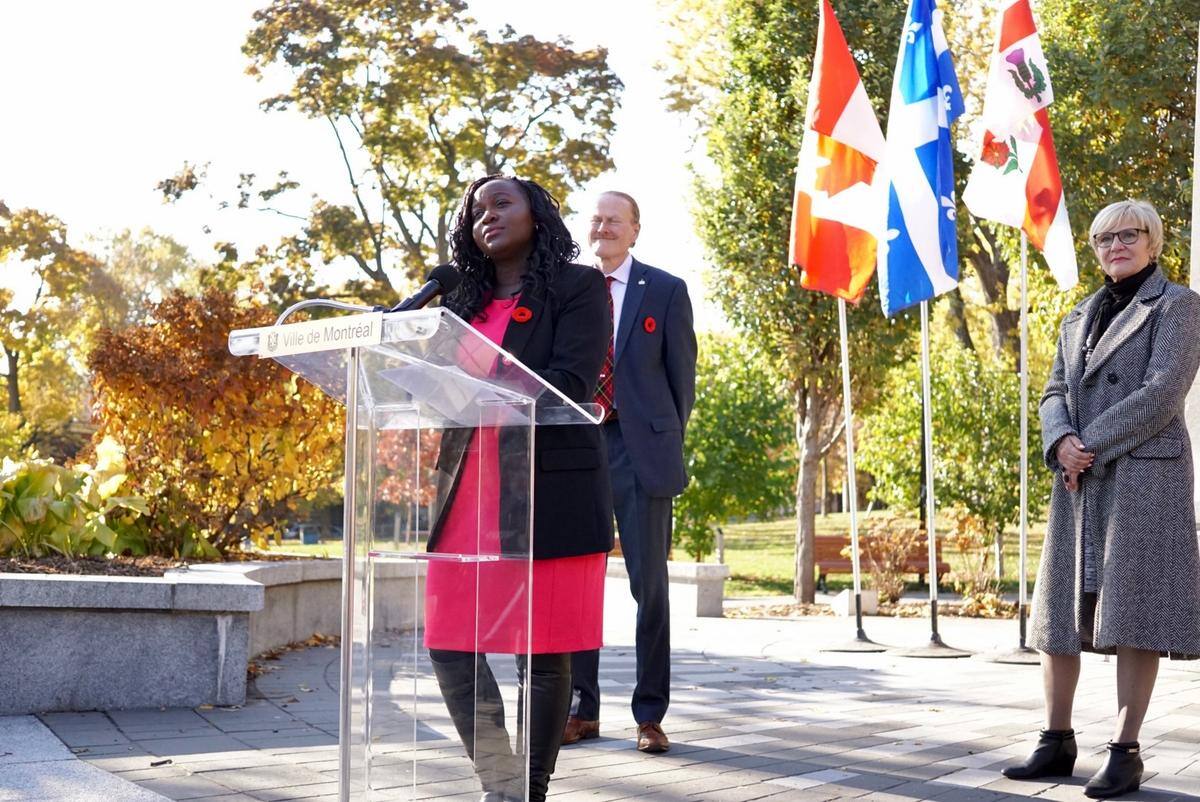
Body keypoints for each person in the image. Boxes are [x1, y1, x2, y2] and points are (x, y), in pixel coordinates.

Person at [424, 175, 613, 802]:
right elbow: (432, 392)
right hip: (466, 492)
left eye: (502, 203)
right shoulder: (454, 310)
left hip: (544, 489)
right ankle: (498, 780)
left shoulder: (579, 287)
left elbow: (571, 380)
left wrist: (478, 376)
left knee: (541, 648)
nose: (487, 216)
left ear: (538, 215)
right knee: (451, 642)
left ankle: (527, 788)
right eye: (476, 210)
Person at [1003, 199, 1200, 799]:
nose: (1115, 246)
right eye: (1102, 238)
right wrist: (1060, 441)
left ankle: (1125, 750)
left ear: (1153, 240)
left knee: (1134, 612)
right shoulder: (1077, 315)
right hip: (1079, 478)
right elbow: (1053, 390)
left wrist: (1086, 443)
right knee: (1059, 612)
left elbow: (1163, 391)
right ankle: (1056, 741)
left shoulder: (1178, 305)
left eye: (1128, 235)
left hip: (1144, 476)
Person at [564, 190, 697, 753]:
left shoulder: (666, 290)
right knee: (576, 585)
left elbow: (681, 381)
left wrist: (658, 440)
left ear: (636, 230)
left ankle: (649, 715)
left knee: (651, 589)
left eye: (615, 220)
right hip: (575, 447)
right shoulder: (567, 290)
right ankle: (581, 710)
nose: (604, 227)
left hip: (640, 452)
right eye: (596, 219)